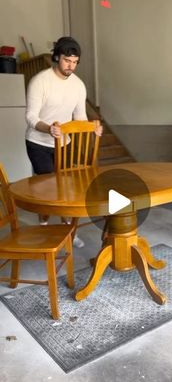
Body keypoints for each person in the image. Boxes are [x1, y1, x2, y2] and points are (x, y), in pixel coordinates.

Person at [25, 36, 102, 248]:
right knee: (48, 189)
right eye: (68, 60)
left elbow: (80, 117)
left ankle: (69, 232)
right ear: (58, 57)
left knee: (66, 189)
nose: (71, 66)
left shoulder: (78, 85)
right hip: (39, 142)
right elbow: (31, 117)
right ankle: (44, 229)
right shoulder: (40, 81)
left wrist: (92, 128)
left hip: (63, 144)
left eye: (75, 62)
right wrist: (49, 129)